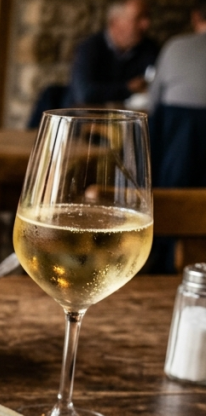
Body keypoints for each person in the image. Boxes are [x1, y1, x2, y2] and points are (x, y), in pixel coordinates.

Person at [146, 2, 206, 272]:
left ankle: (163, 256)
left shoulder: (175, 46)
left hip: (176, 160)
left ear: (196, 18)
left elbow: (151, 104)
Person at [66, 0, 158, 106]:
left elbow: (154, 90)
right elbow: (84, 94)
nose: (146, 24)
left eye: (147, 17)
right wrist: (128, 88)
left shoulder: (149, 49)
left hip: (129, 119)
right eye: (138, 18)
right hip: (86, 119)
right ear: (115, 22)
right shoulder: (89, 48)